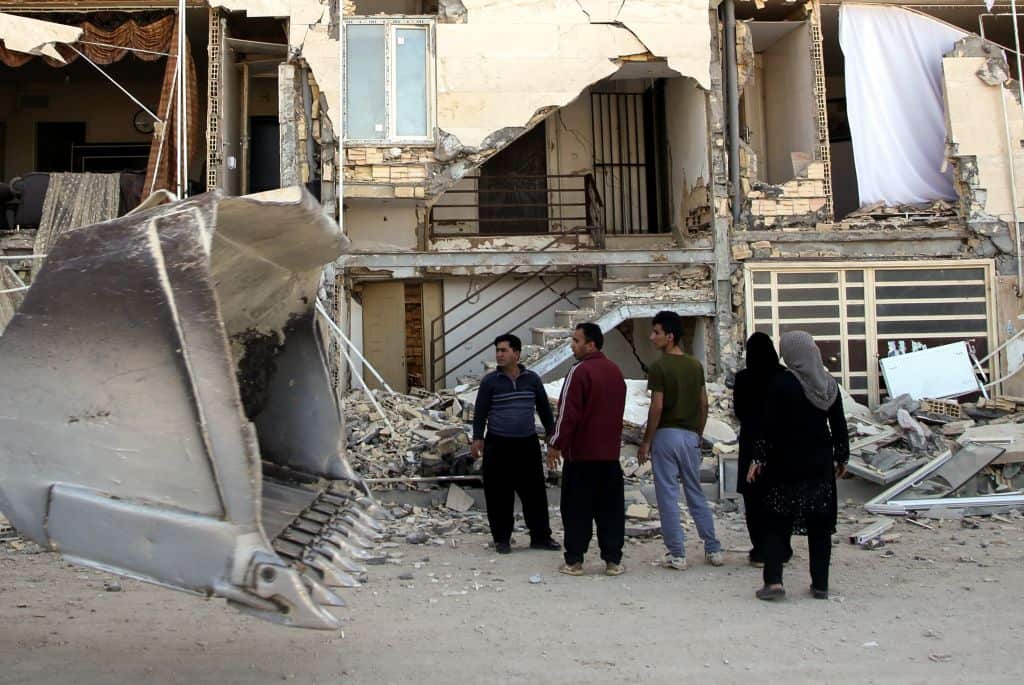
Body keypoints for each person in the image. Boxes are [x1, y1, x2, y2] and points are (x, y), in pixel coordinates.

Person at [747, 330, 849, 601]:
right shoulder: (828, 385)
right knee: (820, 526)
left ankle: (774, 582)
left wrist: (757, 459)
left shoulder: (783, 383)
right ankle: (820, 585)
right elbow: (839, 426)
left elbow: (768, 426)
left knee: (776, 522)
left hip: (785, 463)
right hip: (819, 464)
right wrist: (842, 457)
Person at [638, 310, 723, 570]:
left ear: (670, 336)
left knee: (667, 496)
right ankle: (713, 548)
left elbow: (657, 407)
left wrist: (646, 441)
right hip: (690, 436)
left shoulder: (659, 367)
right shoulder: (694, 365)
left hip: (666, 435)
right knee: (695, 492)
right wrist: (697, 433)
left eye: (656, 332)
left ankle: (677, 553)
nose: (652, 337)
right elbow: (704, 403)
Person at [547, 323, 627, 577]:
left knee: (577, 510)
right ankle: (613, 560)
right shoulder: (615, 371)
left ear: (590, 344)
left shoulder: (579, 372)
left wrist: (556, 444)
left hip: (581, 456)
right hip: (610, 456)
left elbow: (567, 413)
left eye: (576, 340)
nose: (572, 344)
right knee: (610, 511)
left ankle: (575, 561)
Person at [472, 333, 560, 554]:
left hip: (526, 444)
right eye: (497, 351)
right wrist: (477, 438)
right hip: (498, 444)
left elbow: (544, 410)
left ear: (517, 353)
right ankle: (502, 539)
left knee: (534, 493)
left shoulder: (532, 379)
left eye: (504, 350)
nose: (499, 355)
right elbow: (480, 412)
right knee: (499, 494)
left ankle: (540, 537)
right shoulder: (490, 381)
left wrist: (552, 437)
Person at [732, 332, 787, 567]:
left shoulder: (743, 378)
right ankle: (782, 548)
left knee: (754, 500)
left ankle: (760, 550)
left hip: (751, 440)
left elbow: (739, 411)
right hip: (780, 443)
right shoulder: (784, 376)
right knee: (780, 497)